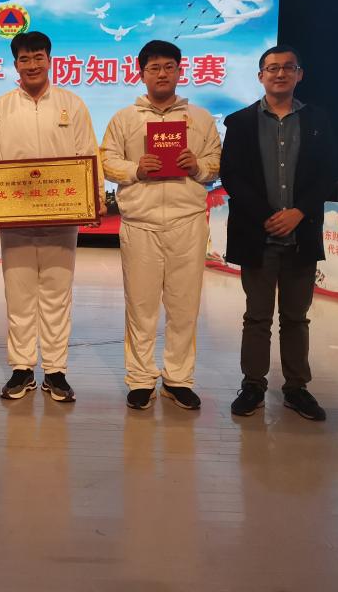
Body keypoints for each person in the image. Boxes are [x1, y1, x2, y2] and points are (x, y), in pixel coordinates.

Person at [0, 31, 103, 403]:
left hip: (62, 217)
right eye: (24, 59)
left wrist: (95, 198)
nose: (32, 65)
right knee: (18, 295)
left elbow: (88, 154)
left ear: (50, 60)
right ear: (15, 64)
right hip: (15, 218)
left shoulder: (72, 104)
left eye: (38, 57)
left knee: (57, 294)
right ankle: (21, 368)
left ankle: (55, 371)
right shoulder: (1, 107)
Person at [101, 40, 221, 411]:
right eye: (154, 68)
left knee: (184, 306)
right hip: (140, 223)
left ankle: (177, 379)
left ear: (179, 71)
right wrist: (135, 169)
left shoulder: (200, 118)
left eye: (169, 66)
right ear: (142, 73)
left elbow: (216, 163)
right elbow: (107, 161)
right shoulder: (125, 118)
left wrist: (197, 166)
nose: (162, 74)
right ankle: (140, 379)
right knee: (141, 306)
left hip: (187, 222)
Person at [220, 45, 335, 421]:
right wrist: (269, 216)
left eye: (288, 67)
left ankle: (296, 388)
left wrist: (299, 213)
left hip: (302, 234)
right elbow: (232, 175)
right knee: (257, 316)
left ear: (300, 74)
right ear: (261, 76)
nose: (280, 73)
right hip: (258, 234)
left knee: (296, 317)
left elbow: (327, 174)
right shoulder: (239, 122)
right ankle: (253, 385)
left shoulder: (318, 120)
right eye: (272, 68)